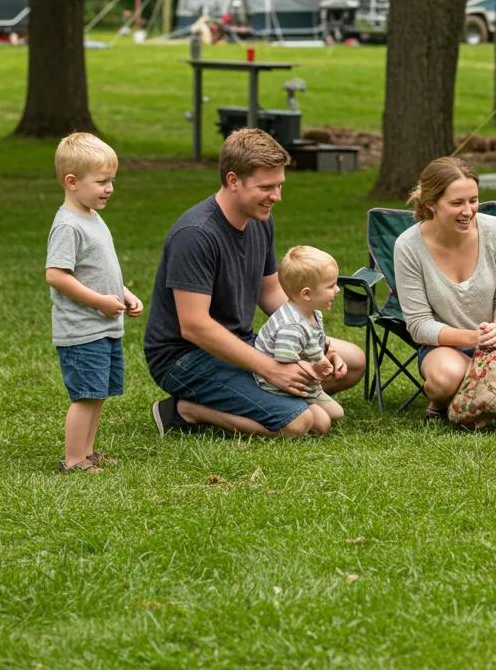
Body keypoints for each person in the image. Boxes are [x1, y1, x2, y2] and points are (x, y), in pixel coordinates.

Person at [144, 128, 365, 437]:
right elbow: (195, 326)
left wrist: (317, 344)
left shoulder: (259, 220)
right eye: (267, 187)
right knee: (301, 424)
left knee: (353, 361)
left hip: (243, 342)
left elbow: (271, 292)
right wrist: (270, 369)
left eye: (279, 185)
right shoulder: (195, 235)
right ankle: (186, 411)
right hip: (185, 359)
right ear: (233, 180)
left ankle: (263, 396)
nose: (277, 197)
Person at [393, 156, 496, 424]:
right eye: (457, 203)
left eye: (473, 200)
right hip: (444, 345)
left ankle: (474, 401)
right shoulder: (408, 246)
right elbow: (417, 324)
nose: (468, 211)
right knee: (446, 380)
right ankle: (444, 399)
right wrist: (471, 338)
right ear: (430, 204)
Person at [45, 133, 144, 473]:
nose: (110, 188)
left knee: (97, 393)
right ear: (71, 182)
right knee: (85, 396)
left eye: (111, 180)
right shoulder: (68, 226)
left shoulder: (91, 217)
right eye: (101, 181)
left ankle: (87, 453)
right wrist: (100, 302)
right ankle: (73, 460)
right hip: (82, 330)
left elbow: (98, 270)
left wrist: (123, 293)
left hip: (104, 326)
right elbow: (57, 275)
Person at [253, 245, 347, 435]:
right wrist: (316, 370)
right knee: (323, 422)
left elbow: (315, 344)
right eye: (330, 286)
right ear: (306, 294)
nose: (337, 289)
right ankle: (295, 406)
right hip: (281, 388)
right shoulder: (291, 327)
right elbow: (285, 369)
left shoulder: (313, 313)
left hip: (305, 379)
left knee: (337, 413)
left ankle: (308, 402)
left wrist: (332, 354)